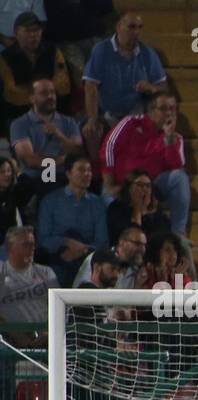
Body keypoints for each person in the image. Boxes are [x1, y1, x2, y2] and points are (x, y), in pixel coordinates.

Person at [80, 11, 168, 161]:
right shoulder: (102, 50)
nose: (136, 32)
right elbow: (90, 86)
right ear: (119, 26)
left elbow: (164, 87)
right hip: (107, 112)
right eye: (131, 27)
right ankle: (99, 172)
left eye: (139, 27)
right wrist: (92, 118)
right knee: (91, 130)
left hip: (136, 113)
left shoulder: (148, 54)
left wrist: (152, 88)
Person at [100, 91, 189, 235]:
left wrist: (169, 139)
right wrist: (110, 183)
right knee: (108, 203)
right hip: (122, 184)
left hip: (151, 186)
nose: (169, 113)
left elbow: (175, 166)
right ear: (151, 110)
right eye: (164, 108)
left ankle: (178, 235)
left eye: (172, 109)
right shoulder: (131, 122)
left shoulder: (175, 138)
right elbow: (109, 146)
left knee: (180, 177)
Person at [9, 76, 82, 208]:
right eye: (44, 93)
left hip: (65, 176)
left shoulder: (69, 122)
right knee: (49, 178)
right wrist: (62, 160)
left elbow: (77, 152)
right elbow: (30, 160)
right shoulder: (20, 124)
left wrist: (60, 136)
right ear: (31, 98)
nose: (50, 96)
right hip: (34, 178)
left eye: (53, 92)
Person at [36, 154, 107, 286]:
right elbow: (43, 238)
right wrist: (66, 242)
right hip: (57, 257)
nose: (87, 174)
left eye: (89, 170)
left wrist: (83, 249)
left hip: (87, 258)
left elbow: (102, 241)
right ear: (68, 173)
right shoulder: (50, 201)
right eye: (81, 170)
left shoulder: (97, 203)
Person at [0, 11, 72, 129]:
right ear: (16, 33)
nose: (33, 35)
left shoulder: (53, 51)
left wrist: (38, 96)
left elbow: (64, 85)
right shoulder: (5, 57)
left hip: (52, 112)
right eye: (28, 31)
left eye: (36, 30)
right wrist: (43, 96)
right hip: (19, 115)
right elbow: (11, 93)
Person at [104, 168, 168, 246]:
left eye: (148, 186)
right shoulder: (116, 208)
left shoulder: (156, 213)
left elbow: (160, 240)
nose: (144, 189)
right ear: (129, 188)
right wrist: (137, 208)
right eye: (140, 185)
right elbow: (131, 240)